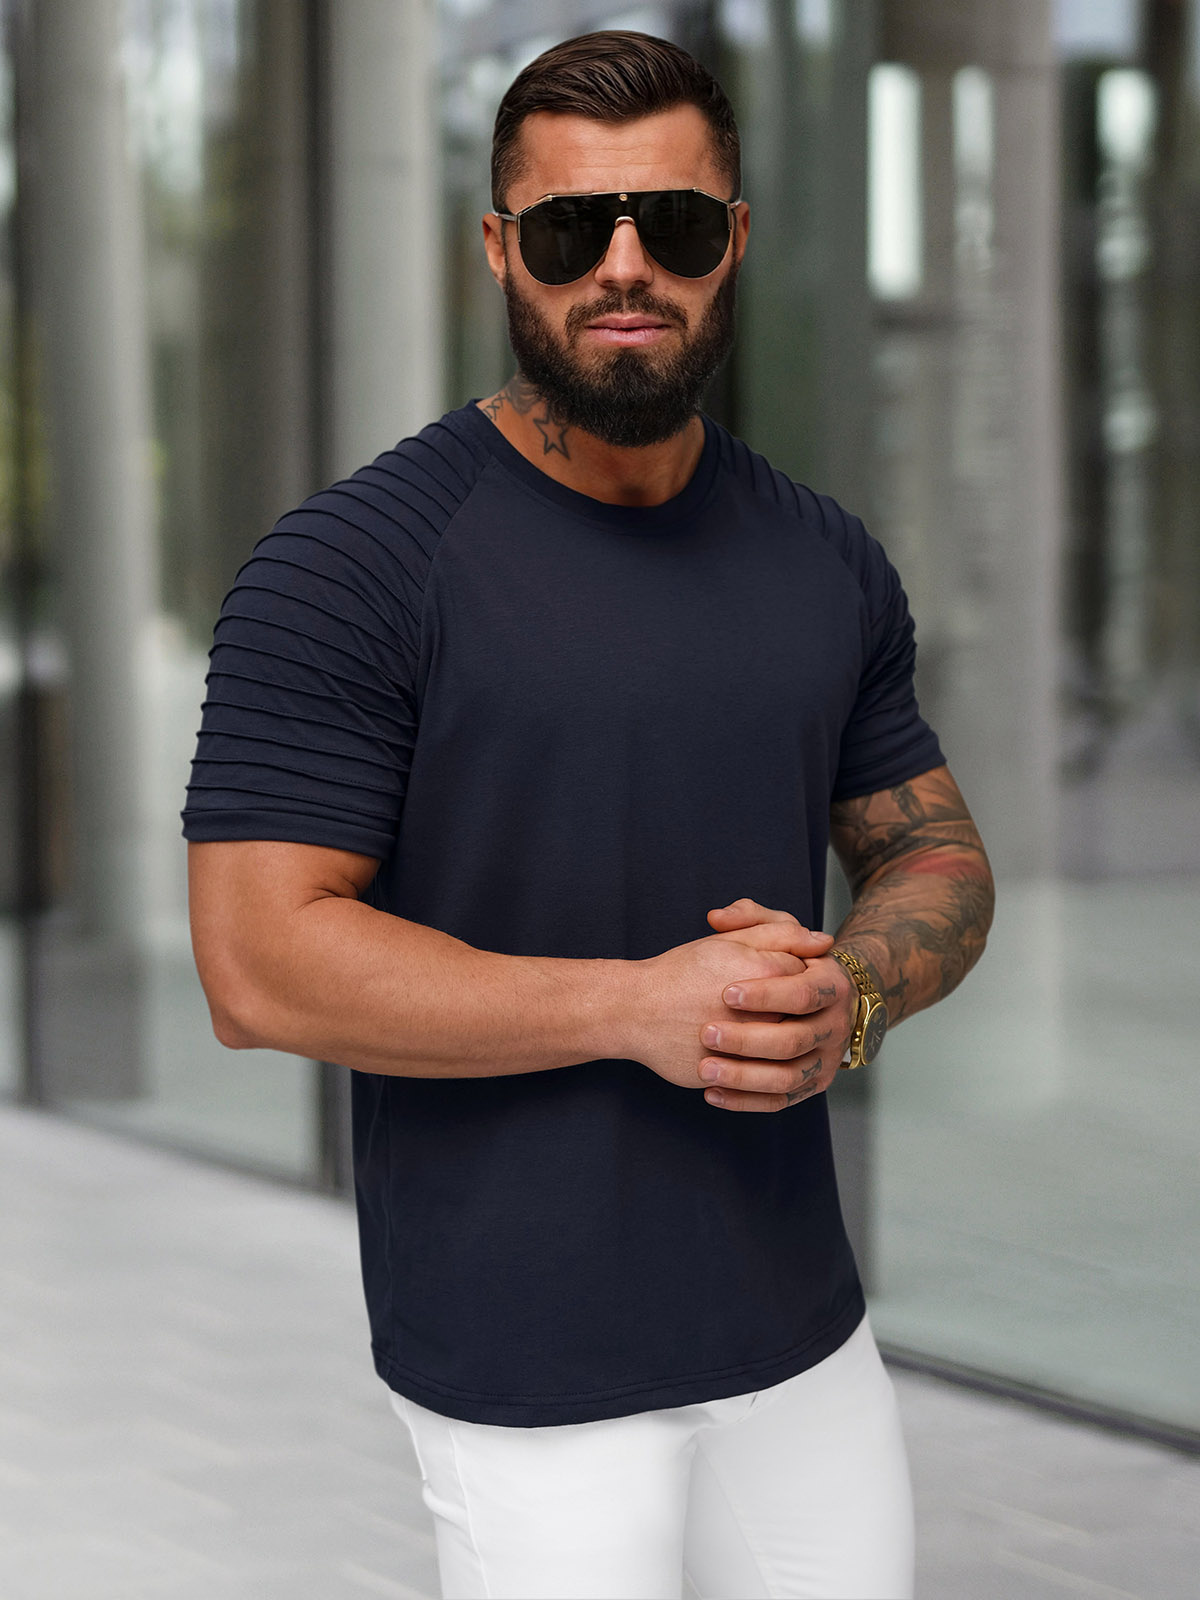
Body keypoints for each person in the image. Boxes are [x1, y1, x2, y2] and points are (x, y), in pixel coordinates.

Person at [183, 30, 994, 1600]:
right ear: (499, 249)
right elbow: (256, 969)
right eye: (570, 230)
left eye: (672, 224)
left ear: (732, 240)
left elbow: (929, 847)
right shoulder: (350, 567)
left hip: (798, 1324)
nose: (625, 267)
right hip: (524, 1352)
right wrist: (637, 1008)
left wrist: (857, 989)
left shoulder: (824, 557)